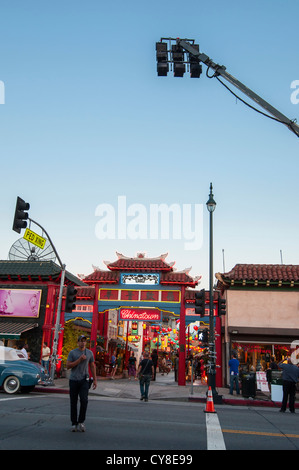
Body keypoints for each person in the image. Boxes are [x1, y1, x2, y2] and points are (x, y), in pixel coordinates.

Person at [66, 335, 97, 432]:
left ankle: (81, 421)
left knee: (84, 400)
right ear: (78, 342)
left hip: (84, 380)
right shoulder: (73, 352)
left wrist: (95, 379)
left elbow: (92, 366)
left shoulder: (89, 353)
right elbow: (68, 366)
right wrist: (79, 360)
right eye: (81, 341)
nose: (83, 343)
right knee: (73, 402)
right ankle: (74, 423)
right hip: (74, 380)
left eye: (84, 341)